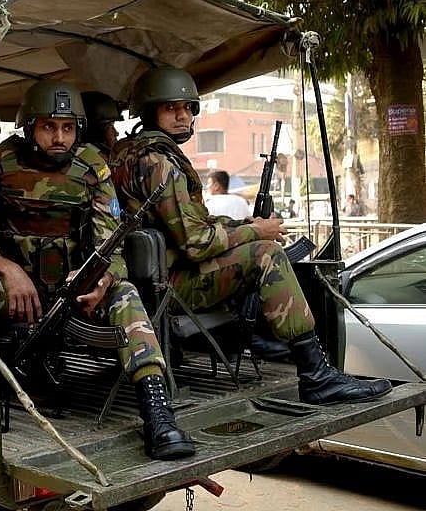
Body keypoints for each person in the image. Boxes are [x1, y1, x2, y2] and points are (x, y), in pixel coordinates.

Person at [0, 80, 195, 460]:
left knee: (127, 295)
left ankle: (158, 413)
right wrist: (6, 267)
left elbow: (113, 245)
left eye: (68, 127)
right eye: (49, 127)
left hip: (75, 288)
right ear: (30, 128)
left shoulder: (93, 166)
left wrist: (101, 280)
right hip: (13, 289)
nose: (59, 137)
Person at [110, 66, 392, 405]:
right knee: (266, 255)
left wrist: (237, 225)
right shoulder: (160, 162)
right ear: (150, 109)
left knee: (259, 245)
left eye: (187, 108)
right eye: (171, 108)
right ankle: (316, 375)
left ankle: (280, 350)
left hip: (150, 277)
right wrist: (255, 231)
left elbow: (190, 221)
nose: (182, 116)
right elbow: (196, 243)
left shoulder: (131, 152)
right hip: (169, 282)